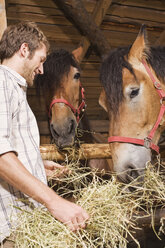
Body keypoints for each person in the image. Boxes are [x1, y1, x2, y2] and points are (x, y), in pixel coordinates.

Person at [0, 21, 89, 244]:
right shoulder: (1, 83)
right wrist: (55, 202)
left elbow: (9, 146)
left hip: (25, 224)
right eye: (40, 60)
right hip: (14, 227)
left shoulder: (12, 88)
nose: (41, 70)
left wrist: (36, 164)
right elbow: (1, 155)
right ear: (24, 50)